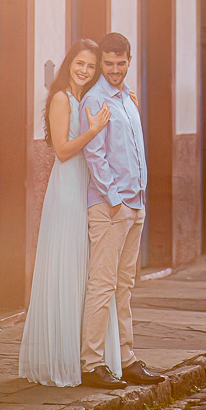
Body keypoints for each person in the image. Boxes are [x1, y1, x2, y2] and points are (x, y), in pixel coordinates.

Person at [19, 39, 123, 386]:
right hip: (67, 188)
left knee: (88, 270)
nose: (85, 70)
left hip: (88, 187)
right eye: (80, 63)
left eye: (91, 67)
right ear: (69, 64)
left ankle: (88, 355)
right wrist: (92, 131)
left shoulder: (88, 98)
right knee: (67, 267)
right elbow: (62, 151)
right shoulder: (61, 98)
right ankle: (61, 358)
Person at [79, 32, 166, 389]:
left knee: (124, 286)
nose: (114, 70)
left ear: (129, 61)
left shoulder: (128, 99)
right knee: (102, 285)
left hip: (136, 203)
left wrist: (137, 200)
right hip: (110, 207)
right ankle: (91, 362)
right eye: (108, 64)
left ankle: (126, 358)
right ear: (101, 63)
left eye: (120, 64)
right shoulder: (96, 100)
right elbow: (95, 156)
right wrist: (114, 200)